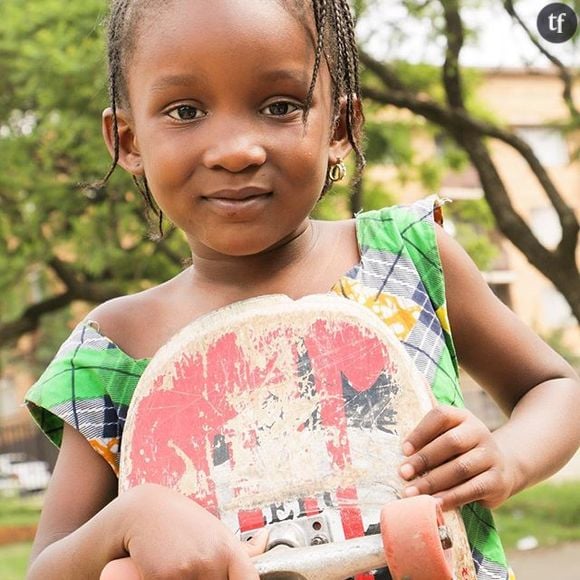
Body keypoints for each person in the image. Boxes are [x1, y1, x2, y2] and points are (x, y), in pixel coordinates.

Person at [24, 1, 580, 579]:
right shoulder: (112, 350)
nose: (236, 150)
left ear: (341, 127)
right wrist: (125, 521)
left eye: (280, 106)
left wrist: (507, 459)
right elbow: (46, 567)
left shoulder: (407, 258)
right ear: (128, 140)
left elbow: (555, 386)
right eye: (185, 110)